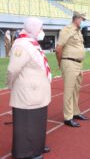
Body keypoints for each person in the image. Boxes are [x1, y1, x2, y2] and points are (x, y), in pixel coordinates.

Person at [7, 17, 51, 159]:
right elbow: (13, 70)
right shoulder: (21, 45)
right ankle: (26, 153)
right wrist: (11, 85)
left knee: (37, 122)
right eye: (40, 28)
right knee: (27, 124)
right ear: (32, 28)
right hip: (27, 93)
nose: (42, 31)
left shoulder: (32, 43)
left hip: (36, 93)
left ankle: (37, 146)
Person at [56, 11, 89, 128]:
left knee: (76, 90)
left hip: (78, 64)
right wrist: (60, 63)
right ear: (76, 18)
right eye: (81, 19)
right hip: (69, 62)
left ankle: (75, 112)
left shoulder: (78, 32)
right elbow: (58, 48)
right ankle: (68, 117)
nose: (82, 21)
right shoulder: (66, 30)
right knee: (69, 91)